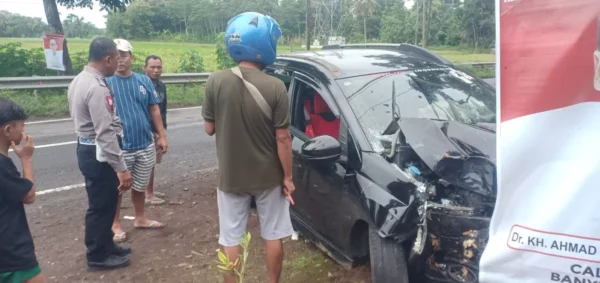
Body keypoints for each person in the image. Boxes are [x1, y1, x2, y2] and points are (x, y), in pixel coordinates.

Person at [202, 12, 295, 283]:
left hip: (231, 176)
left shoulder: (215, 81)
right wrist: (288, 178)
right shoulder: (277, 87)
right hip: (269, 177)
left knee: (230, 236)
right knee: (273, 234)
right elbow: (283, 139)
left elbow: (209, 129)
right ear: (265, 44)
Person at [67, 36, 133, 271]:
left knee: (106, 201)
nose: (118, 63)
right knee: (101, 205)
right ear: (107, 59)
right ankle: (97, 255)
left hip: (88, 148)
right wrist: (121, 168)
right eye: (116, 58)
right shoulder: (95, 87)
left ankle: (106, 246)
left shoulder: (80, 80)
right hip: (98, 152)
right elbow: (104, 132)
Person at [106, 39, 168, 243]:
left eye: (124, 55)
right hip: (120, 146)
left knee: (139, 185)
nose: (120, 59)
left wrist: (161, 135)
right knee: (117, 188)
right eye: (116, 55)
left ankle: (140, 218)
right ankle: (115, 224)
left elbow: (154, 109)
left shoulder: (144, 80)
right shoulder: (106, 82)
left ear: (131, 58)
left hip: (144, 142)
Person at [0, 98, 45, 283]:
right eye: (21, 126)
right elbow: (28, 196)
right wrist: (26, 158)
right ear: (8, 130)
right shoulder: (2, 165)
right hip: (11, 247)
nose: (24, 131)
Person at [144, 55, 168, 205]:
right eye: (152, 67)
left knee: (153, 162)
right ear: (145, 68)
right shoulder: (141, 84)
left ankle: (149, 190)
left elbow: (163, 110)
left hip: (157, 129)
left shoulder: (161, 86)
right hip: (146, 130)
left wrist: (162, 133)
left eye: (158, 67)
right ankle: (148, 195)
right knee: (147, 162)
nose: (156, 70)